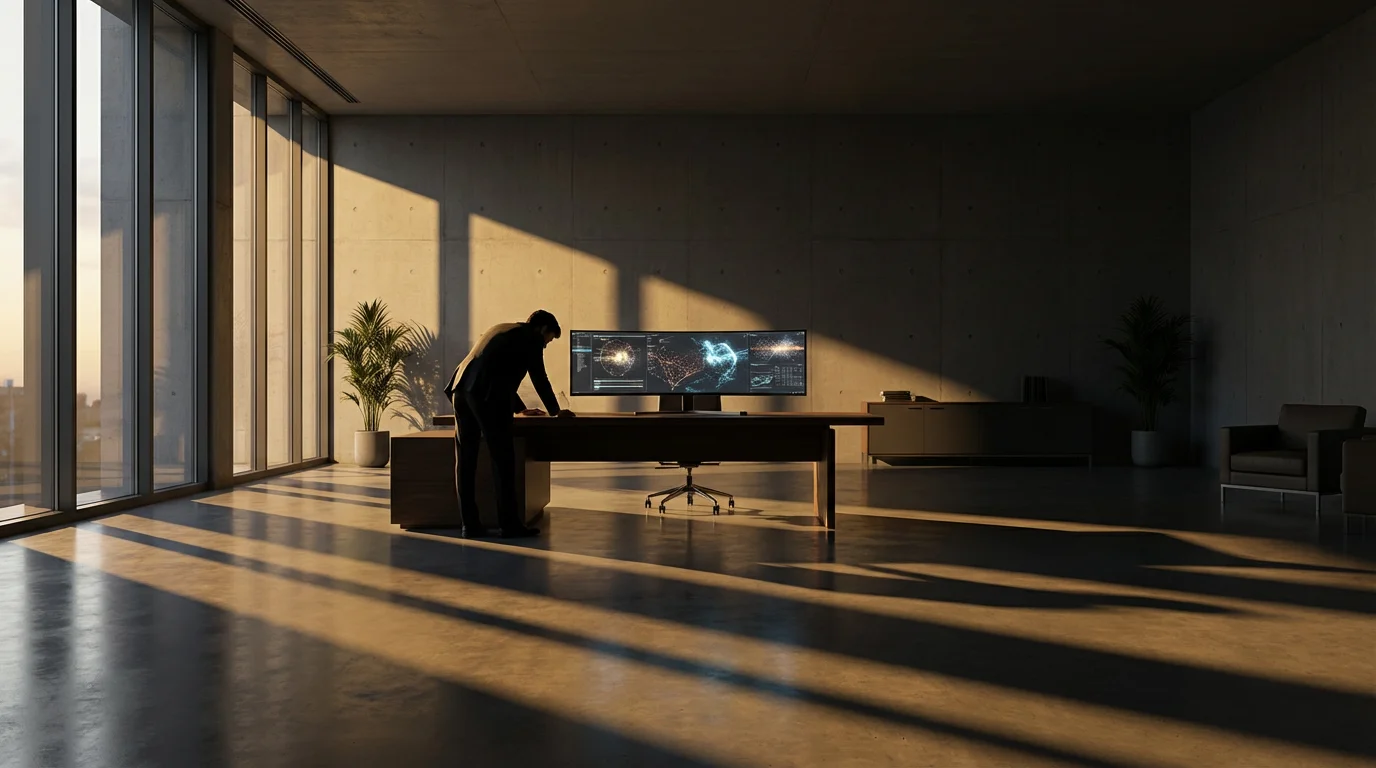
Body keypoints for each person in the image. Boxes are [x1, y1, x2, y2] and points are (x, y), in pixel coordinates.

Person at [443, 310, 574, 538]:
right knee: (503, 461)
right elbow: (539, 377)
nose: (544, 345)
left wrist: (520, 408)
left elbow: (495, 369)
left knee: (465, 461)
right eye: (548, 341)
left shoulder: (503, 328)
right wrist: (556, 411)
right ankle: (509, 525)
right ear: (542, 329)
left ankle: (470, 525)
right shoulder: (531, 338)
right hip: (486, 397)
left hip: (460, 390)